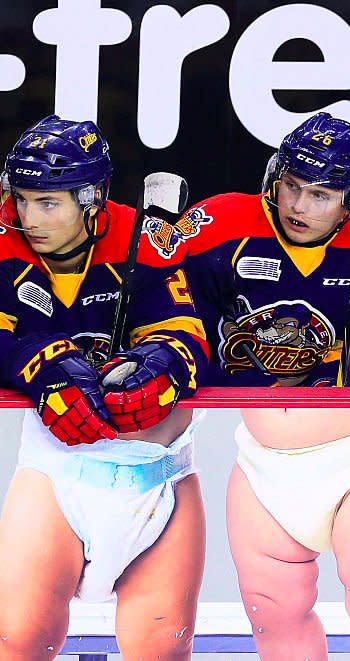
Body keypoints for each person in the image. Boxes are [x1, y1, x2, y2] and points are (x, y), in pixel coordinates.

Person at [176, 113, 350, 660]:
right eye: (291, 185)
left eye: (319, 194)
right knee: (272, 609)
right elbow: (179, 332)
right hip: (262, 462)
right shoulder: (219, 226)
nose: (297, 206)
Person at [0, 115, 208, 660]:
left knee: (161, 651)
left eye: (48, 203)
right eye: (21, 199)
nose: (28, 218)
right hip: (55, 473)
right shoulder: (1, 237)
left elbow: (185, 330)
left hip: (160, 477)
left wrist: (162, 363)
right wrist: (41, 363)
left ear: (92, 199)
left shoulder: (147, 237)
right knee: (18, 642)